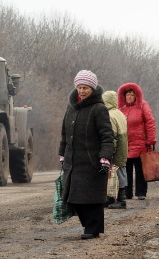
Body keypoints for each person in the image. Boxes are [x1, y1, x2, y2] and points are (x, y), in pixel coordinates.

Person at [58, 70, 114, 240]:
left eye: (86, 88)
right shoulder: (71, 107)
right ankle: (89, 226)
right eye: (80, 87)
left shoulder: (99, 109)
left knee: (91, 197)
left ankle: (93, 229)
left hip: (92, 161)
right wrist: (62, 153)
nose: (82, 91)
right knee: (74, 197)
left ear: (93, 89)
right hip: (73, 161)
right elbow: (64, 134)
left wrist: (105, 158)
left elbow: (107, 136)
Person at [117, 82, 157, 200]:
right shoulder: (121, 108)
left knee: (140, 169)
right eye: (127, 95)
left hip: (141, 144)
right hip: (125, 144)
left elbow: (150, 122)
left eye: (131, 94)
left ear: (136, 95)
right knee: (126, 170)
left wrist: (151, 140)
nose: (129, 97)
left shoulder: (143, 105)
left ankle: (141, 193)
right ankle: (127, 193)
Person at [102, 91, 128, 209]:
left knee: (117, 174)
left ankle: (121, 200)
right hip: (123, 147)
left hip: (117, 149)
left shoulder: (110, 116)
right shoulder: (119, 113)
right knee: (120, 172)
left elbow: (112, 137)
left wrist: (110, 153)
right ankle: (111, 198)